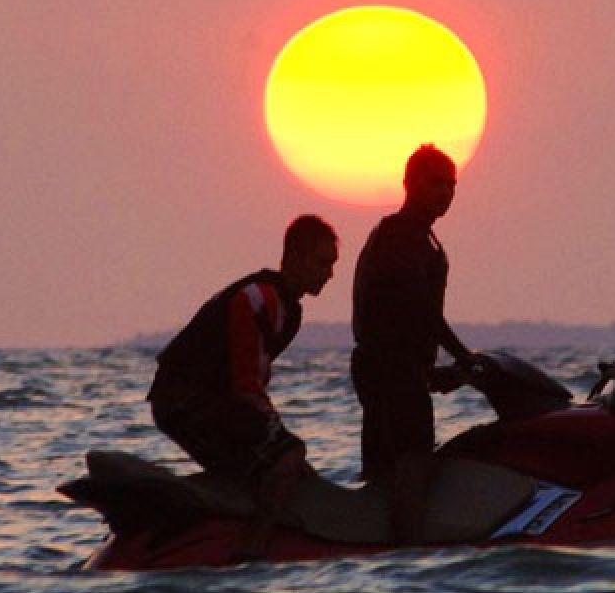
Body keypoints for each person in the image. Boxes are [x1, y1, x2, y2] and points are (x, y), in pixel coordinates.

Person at [146, 215, 338, 559]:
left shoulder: (289, 310)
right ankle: (254, 552)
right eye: (322, 262)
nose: (329, 273)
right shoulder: (259, 298)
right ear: (295, 257)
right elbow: (246, 384)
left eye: (332, 264)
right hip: (184, 400)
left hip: (203, 400)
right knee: (287, 456)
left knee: (271, 462)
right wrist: (281, 440)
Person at [350, 144, 480, 544]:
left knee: (390, 467)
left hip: (403, 370)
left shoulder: (425, 240)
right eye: (435, 183)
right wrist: (464, 358)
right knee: (410, 462)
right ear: (409, 184)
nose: (445, 193)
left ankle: (381, 545)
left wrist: (436, 370)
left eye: (451, 185)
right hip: (388, 371)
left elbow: (414, 320)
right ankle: (404, 550)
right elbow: (418, 310)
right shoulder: (399, 235)